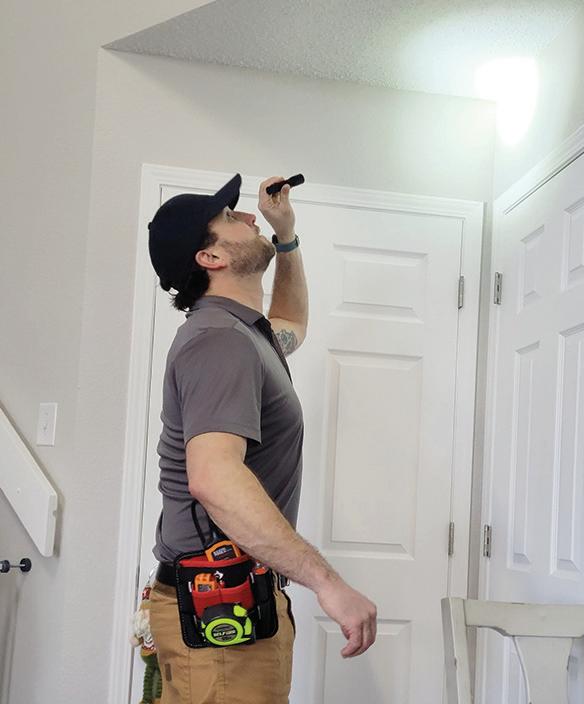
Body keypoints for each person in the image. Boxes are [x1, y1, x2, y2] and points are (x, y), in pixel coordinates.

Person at [146, 172, 377, 703]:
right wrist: (328, 584)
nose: (249, 216)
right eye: (230, 217)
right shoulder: (219, 342)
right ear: (210, 257)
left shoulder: (247, 333)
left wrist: (286, 236)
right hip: (220, 612)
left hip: (228, 604)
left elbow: (291, 318)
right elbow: (215, 478)